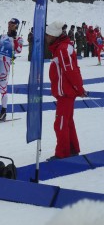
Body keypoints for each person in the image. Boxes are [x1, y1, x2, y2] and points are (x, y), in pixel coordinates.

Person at [45, 21, 87, 161]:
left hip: (66, 93)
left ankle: (63, 153)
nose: (46, 37)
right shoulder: (61, 48)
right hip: (65, 92)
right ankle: (72, 148)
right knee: (67, 121)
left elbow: (71, 71)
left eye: (48, 34)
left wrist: (79, 89)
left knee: (61, 123)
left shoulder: (62, 49)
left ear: (54, 35)